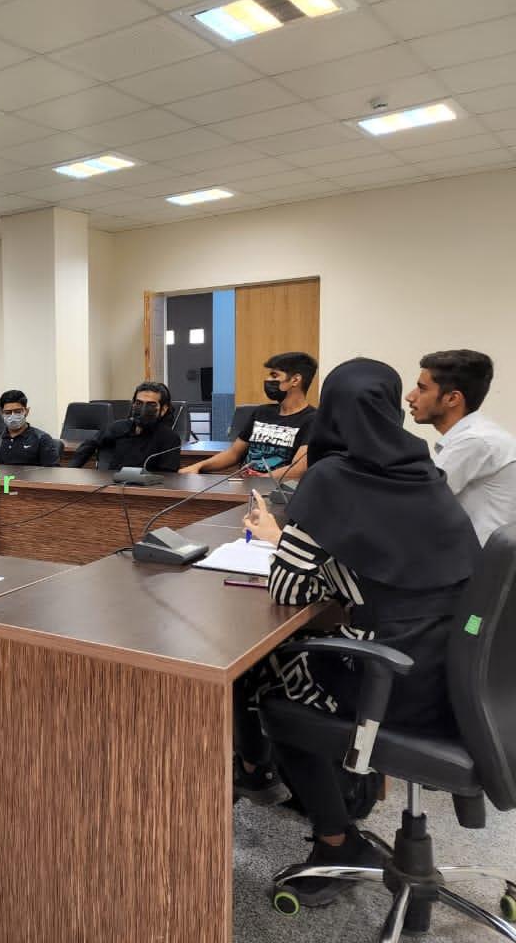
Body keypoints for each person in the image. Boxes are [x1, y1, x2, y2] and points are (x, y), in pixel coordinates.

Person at [241, 358, 478, 907]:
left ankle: (335, 838)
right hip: (456, 678)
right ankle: (340, 792)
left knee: (269, 679)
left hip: (394, 683)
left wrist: (281, 536)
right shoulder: (424, 471)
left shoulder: (331, 478)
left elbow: (288, 589)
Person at [406, 349, 516, 544]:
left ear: (452, 399)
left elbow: (416, 500)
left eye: (422, 389)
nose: (410, 397)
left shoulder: (475, 441)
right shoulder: (479, 435)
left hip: (478, 560)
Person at [181, 352, 317, 479]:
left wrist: (259, 480)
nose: (268, 380)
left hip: (276, 491)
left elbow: (298, 469)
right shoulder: (261, 412)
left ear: (295, 380)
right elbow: (234, 453)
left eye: (274, 376)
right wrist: (199, 466)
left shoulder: (313, 419)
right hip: (244, 486)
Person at [68, 382, 181, 472]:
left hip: (148, 490)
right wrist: (71, 471)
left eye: (151, 405)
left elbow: (168, 477)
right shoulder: (118, 427)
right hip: (111, 486)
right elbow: (90, 444)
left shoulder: (170, 439)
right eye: (139, 403)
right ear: (133, 404)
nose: (143, 409)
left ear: (163, 409)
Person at [0, 389, 60, 466]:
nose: (13, 416)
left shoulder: (42, 439)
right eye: (8, 412)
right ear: (2, 414)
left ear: (26, 411)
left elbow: (52, 473)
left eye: (17, 411)